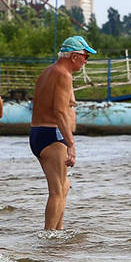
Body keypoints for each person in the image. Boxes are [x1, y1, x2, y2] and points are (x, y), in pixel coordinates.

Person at [29, 35, 96, 230]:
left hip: (38, 133)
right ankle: (48, 239)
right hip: (51, 135)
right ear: (74, 56)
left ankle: (58, 233)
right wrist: (71, 145)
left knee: (64, 186)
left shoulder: (48, 72)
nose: (85, 62)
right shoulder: (63, 75)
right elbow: (59, 112)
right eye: (85, 57)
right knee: (57, 191)